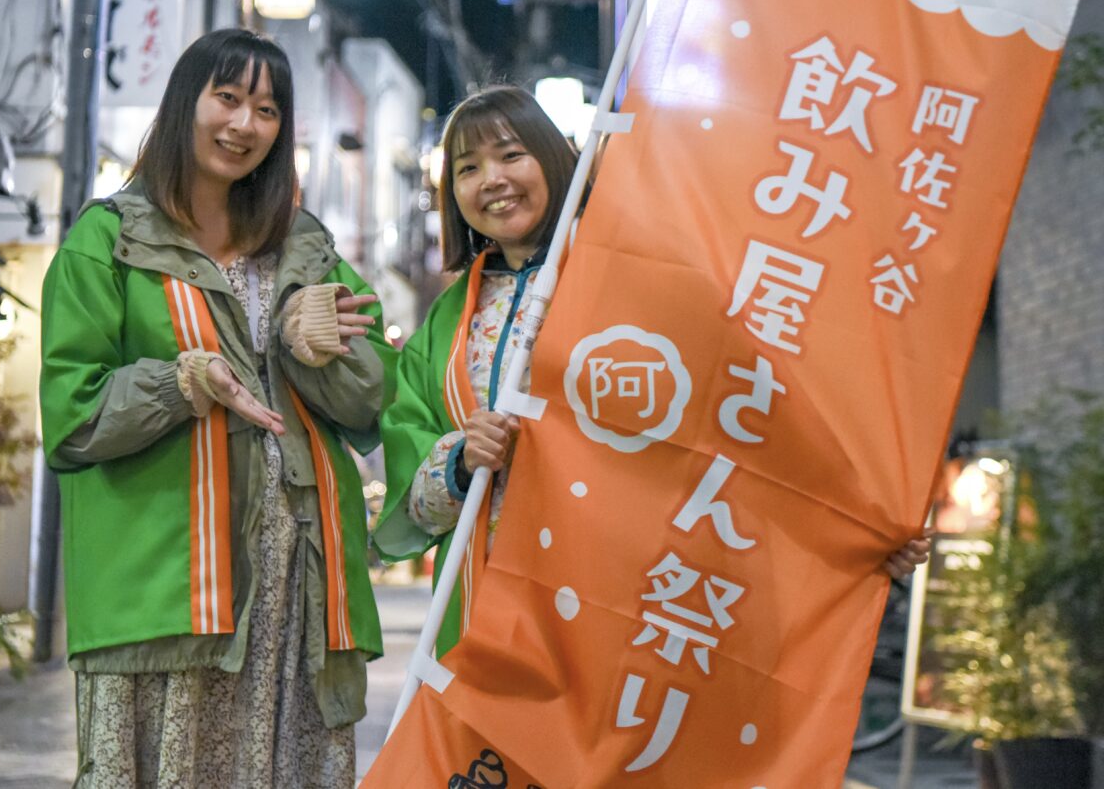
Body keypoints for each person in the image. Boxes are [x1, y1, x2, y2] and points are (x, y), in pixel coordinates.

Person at [373, 85, 930, 659]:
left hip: (622, 601)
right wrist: (462, 460)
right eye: (468, 168)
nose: (491, 178)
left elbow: (749, 412)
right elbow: (411, 484)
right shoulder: (446, 321)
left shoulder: (639, 278)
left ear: (557, 157)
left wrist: (860, 525)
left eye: (512, 155)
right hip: (482, 614)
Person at [39, 29, 393, 787]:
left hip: (296, 589)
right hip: (167, 585)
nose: (244, 125)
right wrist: (182, 383)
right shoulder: (106, 242)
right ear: (184, 103)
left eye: (266, 109)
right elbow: (72, 417)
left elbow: (373, 400)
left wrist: (310, 344)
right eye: (227, 98)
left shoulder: (305, 251)